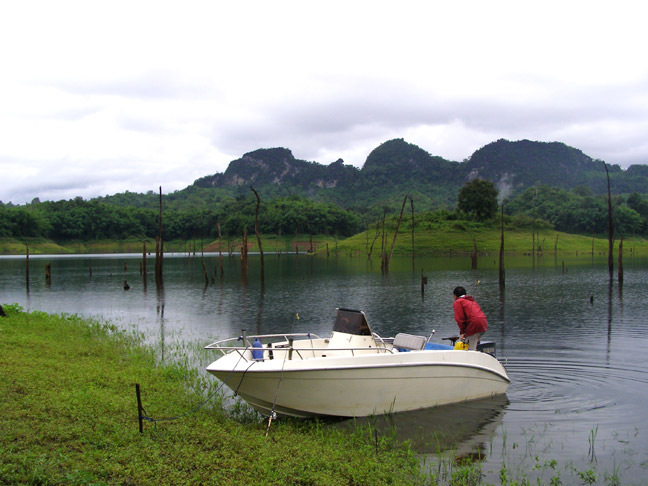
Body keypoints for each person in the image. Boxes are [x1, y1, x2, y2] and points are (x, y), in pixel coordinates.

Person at [453, 286, 488, 350]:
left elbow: (460, 319)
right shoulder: (471, 301)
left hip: (474, 324)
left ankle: (472, 357)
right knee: (474, 342)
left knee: (470, 348)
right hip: (483, 324)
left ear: (455, 296)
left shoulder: (458, 302)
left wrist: (462, 332)